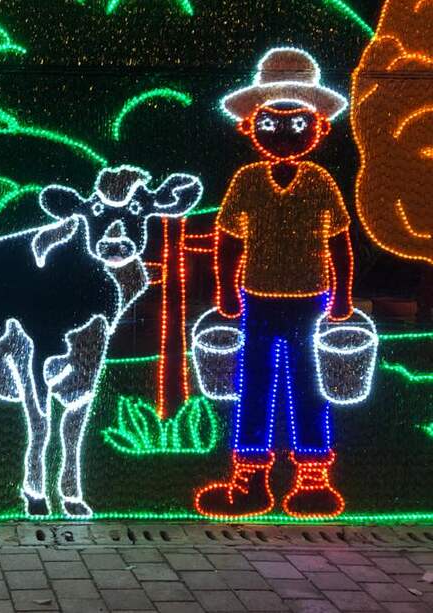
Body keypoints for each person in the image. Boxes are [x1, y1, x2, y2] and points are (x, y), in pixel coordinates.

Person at [194, 48, 354, 519]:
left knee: (309, 385)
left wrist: (342, 294)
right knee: (255, 384)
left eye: (298, 123)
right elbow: (227, 237)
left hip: (310, 299)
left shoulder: (320, 180)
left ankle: (313, 477)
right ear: (251, 126)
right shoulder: (246, 179)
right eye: (270, 123)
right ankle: (249, 480)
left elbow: (340, 240)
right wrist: (225, 290)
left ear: (318, 128)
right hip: (258, 299)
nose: (284, 133)